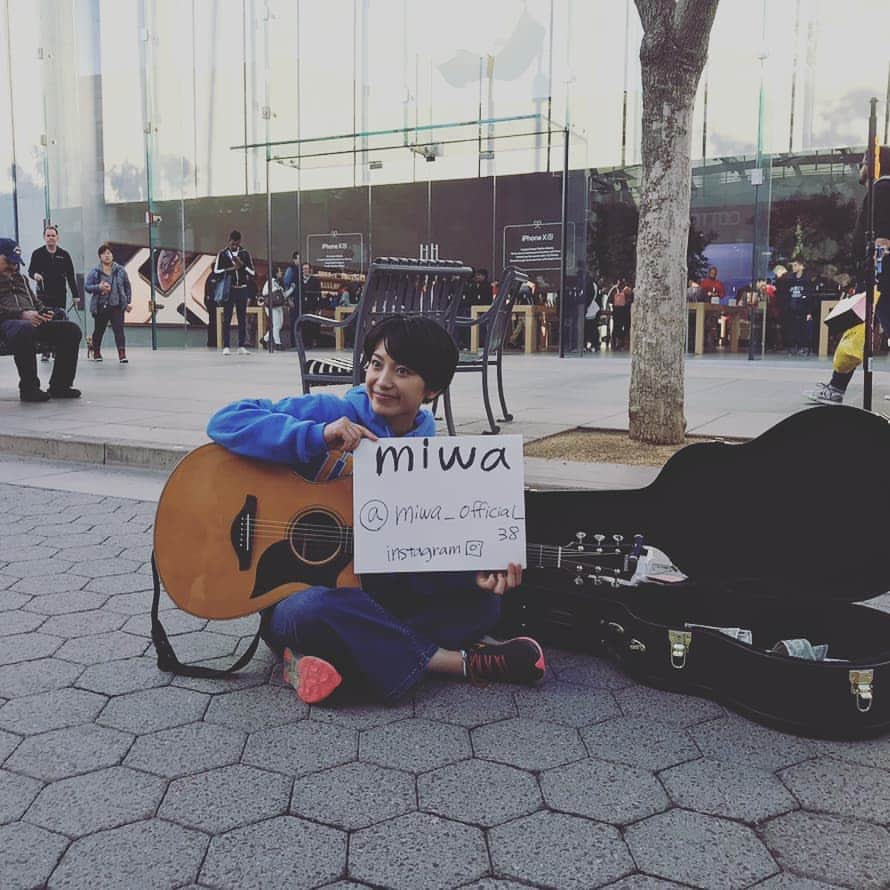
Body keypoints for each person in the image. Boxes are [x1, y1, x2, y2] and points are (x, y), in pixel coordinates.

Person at [206, 314, 545, 705]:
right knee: (313, 610)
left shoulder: (431, 454)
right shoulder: (330, 410)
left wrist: (474, 571)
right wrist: (315, 435)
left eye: (402, 371)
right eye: (376, 364)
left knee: (485, 603)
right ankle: (456, 663)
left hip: (370, 595)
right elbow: (225, 421)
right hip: (297, 597)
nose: (382, 381)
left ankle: (324, 661)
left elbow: (413, 557)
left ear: (431, 389)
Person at [807, 147, 890, 405]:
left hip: (880, 273)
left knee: (857, 328)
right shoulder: (881, 189)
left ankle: (836, 388)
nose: (861, 168)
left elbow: (883, 233)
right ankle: (835, 387)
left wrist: (875, 269)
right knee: (863, 328)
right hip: (880, 271)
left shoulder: (883, 188)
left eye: (864, 162)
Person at [0, 238, 81, 401]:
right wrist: (21, 314)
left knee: (71, 330)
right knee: (24, 328)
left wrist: (44, 311)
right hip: (7, 325)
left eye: (16, 263)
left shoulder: (21, 279)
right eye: (8, 261)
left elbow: (35, 302)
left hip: (29, 322)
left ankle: (60, 386)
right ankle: (29, 388)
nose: (13, 267)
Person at [27, 224, 80, 361]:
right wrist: (36, 275)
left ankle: (57, 349)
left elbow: (70, 276)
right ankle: (45, 350)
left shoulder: (64, 255)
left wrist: (76, 295)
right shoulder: (37, 253)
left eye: (53, 235)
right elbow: (30, 271)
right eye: (48, 235)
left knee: (59, 320)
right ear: (44, 237)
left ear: (58, 238)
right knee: (45, 321)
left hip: (60, 294)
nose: (50, 238)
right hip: (43, 295)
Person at [84, 244, 133, 363]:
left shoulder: (120, 270)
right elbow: (87, 287)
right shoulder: (95, 272)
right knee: (99, 330)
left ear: (112, 255)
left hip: (117, 305)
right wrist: (99, 287)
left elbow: (127, 286)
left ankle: (122, 354)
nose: (107, 255)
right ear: (100, 256)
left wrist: (127, 302)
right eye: (104, 253)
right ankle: (96, 351)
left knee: (119, 330)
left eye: (109, 253)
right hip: (101, 306)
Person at [214, 230, 256, 356]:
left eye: (236, 244)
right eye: (232, 243)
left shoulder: (245, 253)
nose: (234, 246)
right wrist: (231, 269)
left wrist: (241, 265)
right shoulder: (222, 254)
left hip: (242, 288)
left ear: (239, 242)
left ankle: (241, 345)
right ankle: (226, 345)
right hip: (229, 288)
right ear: (229, 241)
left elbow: (253, 272)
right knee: (226, 318)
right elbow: (216, 271)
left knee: (242, 317)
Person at [784, 257, 813, 355]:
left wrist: (809, 311)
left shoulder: (807, 280)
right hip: (792, 308)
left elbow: (809, 296)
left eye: (795, 265)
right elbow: (786, 294)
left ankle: (803, 346)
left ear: (801, 266)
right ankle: (793, 346)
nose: (793, 267)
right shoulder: (790, 280)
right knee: (792, 328)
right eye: (792, 265)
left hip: (802, 308)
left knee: (803, 328)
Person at [296, 262, 324, 348]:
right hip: (302, 307)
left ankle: (310, 343)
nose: (305, 271)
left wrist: (319, 307)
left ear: (310, 270)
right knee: (303, 325)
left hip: (312, 306)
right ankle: (303, 343)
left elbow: (318, 293)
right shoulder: (299, 280)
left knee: (311, 325)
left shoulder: (315, 280)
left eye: (307, 269)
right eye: (304, 269)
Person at [261, 265, 287, 348]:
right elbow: (266, 293)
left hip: (278, 305)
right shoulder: (270, 282)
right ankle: (278, 343)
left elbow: (283, 294)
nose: (281, 273)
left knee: (279, 324)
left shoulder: (277, 282)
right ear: (275, 273)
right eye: (279, 271)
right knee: (276, 324)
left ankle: (265, 339)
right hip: (271, 306)